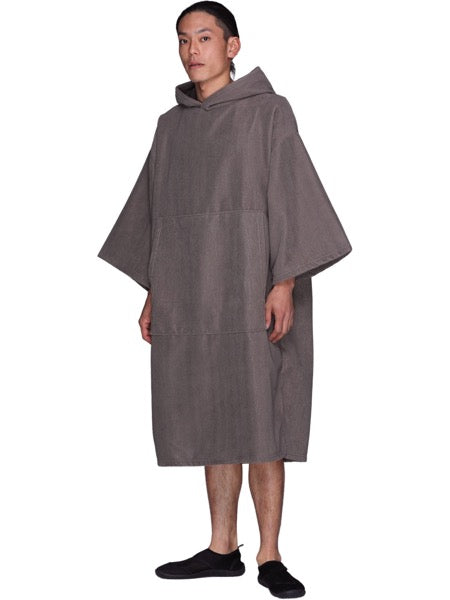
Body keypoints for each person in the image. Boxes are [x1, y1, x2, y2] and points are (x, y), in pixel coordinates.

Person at [97, 2, 352, 597]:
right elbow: (157, 214)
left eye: (205, 37)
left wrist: (285, 281)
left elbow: (290, 193)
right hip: (191, 292)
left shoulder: (268, 112)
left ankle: (270, 555)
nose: (193, 50)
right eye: (183, 39)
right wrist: (155, 292)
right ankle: (220, 548)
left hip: (254, 285)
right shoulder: (171, 127)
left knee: (262, 414)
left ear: (232, 46)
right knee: (212, 409)